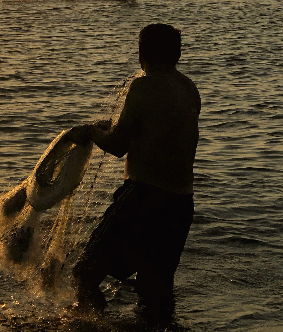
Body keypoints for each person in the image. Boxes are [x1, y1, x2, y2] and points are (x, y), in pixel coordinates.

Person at [68, 24, 201, 322]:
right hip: (181, 204)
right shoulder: (189, 89)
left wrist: (90, 132)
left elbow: (118, 145)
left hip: (144, 197)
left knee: (84, 273)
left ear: (142, 53)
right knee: (156, 290)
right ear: (177, 54)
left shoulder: (142, 87)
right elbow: (156, 130)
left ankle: (90, 327)